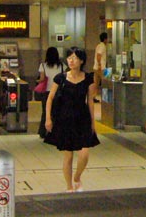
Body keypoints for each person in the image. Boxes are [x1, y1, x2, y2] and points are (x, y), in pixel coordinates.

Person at [44, 46, 99, 192]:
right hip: (64, 118)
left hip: (82, 118)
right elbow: (50, 98)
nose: (71, 61)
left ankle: (77, 177)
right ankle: (69, 186)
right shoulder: (60, 78)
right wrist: (48, 119)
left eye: (74, 58)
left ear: (81, 60)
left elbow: (91, 101)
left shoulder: (88, 78)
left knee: (85, 153)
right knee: (68, 156)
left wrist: (93, 122)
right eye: (69, 58)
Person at [36, 46, 63, 138]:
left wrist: (37, 81)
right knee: (57, 112)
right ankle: (57, 131)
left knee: (46, 112)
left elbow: (42, 79)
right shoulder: (62, 66)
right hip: (59, 92)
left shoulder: (43, 65)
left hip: (47, 92)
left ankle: (43, 132)